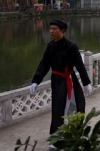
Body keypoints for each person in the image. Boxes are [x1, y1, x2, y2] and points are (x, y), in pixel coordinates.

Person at [29, 18, 92, 147]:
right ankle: (55, 139)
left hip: (70, 79)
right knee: (58, 108)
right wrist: (36, 81)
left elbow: (80, 65)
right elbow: (44, 64)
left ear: (62, 30)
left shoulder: (71, 46)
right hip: (57, 81)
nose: (51, 31)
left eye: (54, 29)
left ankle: (77, 133)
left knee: (78, 105)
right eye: (50, 29)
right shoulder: (51, 46)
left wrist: (86, 83)